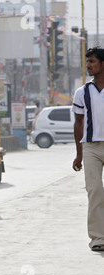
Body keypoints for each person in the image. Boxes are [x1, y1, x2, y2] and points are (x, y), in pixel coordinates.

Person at [72, 46, 104, 251]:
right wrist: (79, 154)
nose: (88, 65)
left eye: (92, 61)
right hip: (91, 147)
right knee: (94, 191)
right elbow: (78, 123)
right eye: (87, 62)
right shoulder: (82, 92)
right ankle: (98, 238)